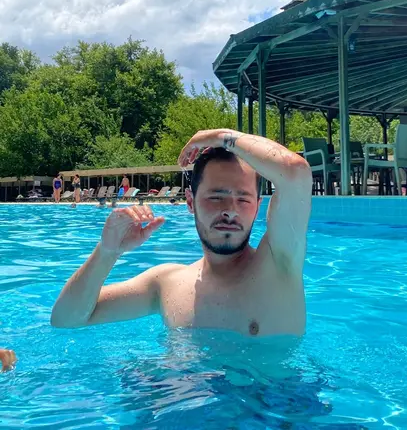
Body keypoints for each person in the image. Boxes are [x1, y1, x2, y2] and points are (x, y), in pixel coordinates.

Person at [51, 129, 312, 337]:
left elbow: (295, 172)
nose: (230, 211)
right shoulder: (167, 283)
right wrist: (107, 252)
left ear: (257, 206)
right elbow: (66, 319)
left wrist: (220, 137)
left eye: (243, 199)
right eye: (216, 197)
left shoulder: (279, 264)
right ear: (190, 201)